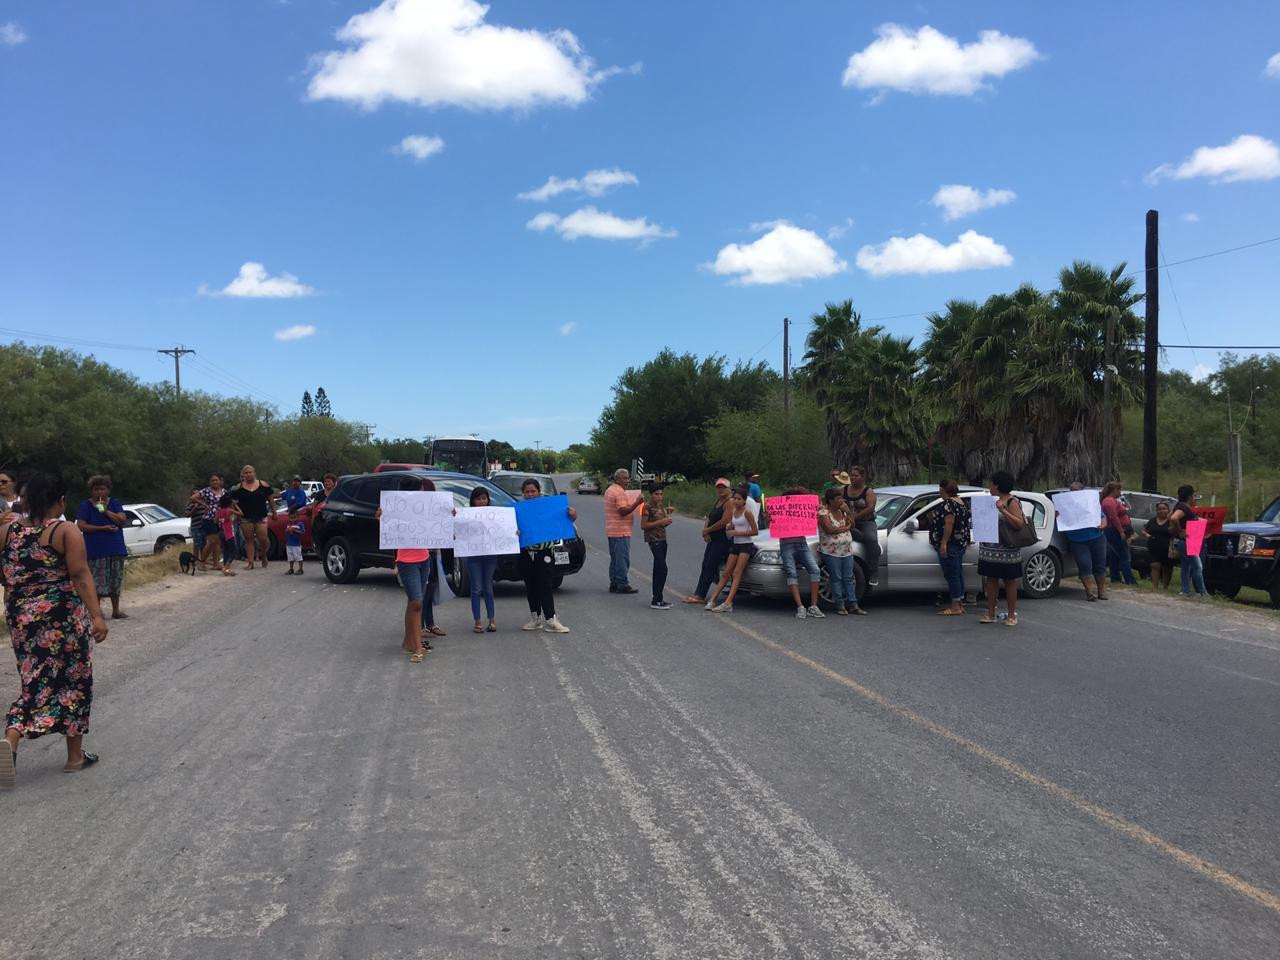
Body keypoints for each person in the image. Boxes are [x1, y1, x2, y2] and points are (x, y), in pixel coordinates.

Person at [1, 473, 109, 788]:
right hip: (63, 616)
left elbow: (5, 572)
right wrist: (97, 616)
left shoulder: (7, 531)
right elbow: (79, 574)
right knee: (74, 679)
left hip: (22, 617)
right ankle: (74, 758)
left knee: (33, 679)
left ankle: (11, 739)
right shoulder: (64, 530)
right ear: (60, 500)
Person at [376, 477, 437, 662]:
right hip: (406, 560)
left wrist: (448, 513)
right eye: (419, 489)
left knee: (414, 603)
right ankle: (418, 647)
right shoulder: (396, 508)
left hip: (424, 558)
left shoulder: (424, 507)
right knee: (417, 602)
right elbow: (387, 531)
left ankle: (408, 641)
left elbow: (438, 522)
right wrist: (380, 518)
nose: (422, 493)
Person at [518, 477, 575, 633]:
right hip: (526, 553)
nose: (530, 494)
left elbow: (567, 522)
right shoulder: (518, 510)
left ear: (539, 492)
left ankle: (551, 619)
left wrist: (572, 515)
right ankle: (535, 618)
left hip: (544, 552)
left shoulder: (549, 508)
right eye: (527, 492)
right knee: (530, 586)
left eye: (533, 491)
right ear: (523, 493)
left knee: (545, 585)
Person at [75, 475, 129, 620]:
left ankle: (116, 610)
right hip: (96, 550)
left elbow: (122, 519)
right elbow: (81, 525)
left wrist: (106, 511)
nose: (100, 492)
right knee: (96, 582)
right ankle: (97, 612)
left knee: (115, 580)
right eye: (96, 489)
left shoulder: (115, 503)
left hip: (115, 548)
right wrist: (103, 528)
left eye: (103, 489)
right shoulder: (86, 505)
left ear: (108, 490)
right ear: (91, 491)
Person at [978, 471, 1026, 626]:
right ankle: (991, 613)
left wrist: (1003, 510)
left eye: (991, 483)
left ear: (997, 485)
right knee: (991, 580)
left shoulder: (1012, 501)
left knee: (1009, 581)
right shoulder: (989, 500)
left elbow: (1019, 524)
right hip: (989, 548)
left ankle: (1012, 615)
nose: (990, 486)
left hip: (1007, 549)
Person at [704, 486, 758, 613]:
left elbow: (755, 531)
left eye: (739, 499)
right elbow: (733, 525)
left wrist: (737, 533)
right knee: (726, 572)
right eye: (734, 498)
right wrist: (730, 527)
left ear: (744, 501)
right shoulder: (733, 512)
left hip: (746, 545)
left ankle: (728, 602)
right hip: (735, 544)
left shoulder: (747, 513)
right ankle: (712, 599)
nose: (736, 501)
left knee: (736, 573)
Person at [778, 486, 825, 620]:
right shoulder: (782, 509)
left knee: (815, 570)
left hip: (801, 543)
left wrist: (815, 512)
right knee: (791, 573)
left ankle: (813, 606)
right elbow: (774, 526)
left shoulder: (802, 510)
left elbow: (813, 524)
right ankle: (800, 606)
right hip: (787, 544)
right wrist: (770, 517)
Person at [683, 479, 733, 604]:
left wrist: (707, 530)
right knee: (706, 565)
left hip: (722, 540)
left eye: (723, 487)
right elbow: (710, 517)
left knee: (710, 566)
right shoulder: (718, 501)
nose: (721, 490)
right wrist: (706, 530)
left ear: (729, 489)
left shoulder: (729, 502)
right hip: (713, 538)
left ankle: (700, 595)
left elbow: (724, 521)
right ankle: (698, 593)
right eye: (719, 487)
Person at [818, 486, 864, 615]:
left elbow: (853, 525)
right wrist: (846, 527)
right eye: (838, 499)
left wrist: (848, 512)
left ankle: (853, 604)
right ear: (830, 500)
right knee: (836, 577)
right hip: (831, 550)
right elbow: (830, 530)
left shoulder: (842, 512)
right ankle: (840, 605)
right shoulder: (824, 513)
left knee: (848, 577)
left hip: (846, 550)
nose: (841, 501)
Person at [931, 479, 971, 616]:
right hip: (959, 543)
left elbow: (949, 523)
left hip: (951, 544)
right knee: (957, 573)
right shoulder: (961, 503)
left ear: (942, 489)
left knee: (951, 575)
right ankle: (959, 603)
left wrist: (943, 543)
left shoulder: (948, 504)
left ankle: (955, 606)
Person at [1061, 482, 1108, 602]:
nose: (1074, 493)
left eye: (1077, 491)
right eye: (1072, 491)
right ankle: (1089, 592)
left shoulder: (1090, 502)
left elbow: (1102, 516)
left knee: (1100, 565)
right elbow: (1058, 517)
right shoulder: (1064, 504)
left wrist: (1103, 524)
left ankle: (1101, 591)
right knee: (1084, 565)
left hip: (1097, 537)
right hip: (1077, 540)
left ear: (1082, 491)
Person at [603, 468, 644, 594]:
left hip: (612, 529)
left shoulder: (610, 490)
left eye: (628, 478)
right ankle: (622, 583)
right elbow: (622, 511)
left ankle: (614, 583)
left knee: (615, 558)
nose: (627, 481)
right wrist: (637, 503)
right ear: (617, 479)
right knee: (622, 558)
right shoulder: (619, 492)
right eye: (625, 478)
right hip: (620, 530)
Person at [229, 464, 276, 569]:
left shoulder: (262, 484)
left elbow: (271, 499)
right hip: (245, 517)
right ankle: (250, 562)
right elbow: (232, 501)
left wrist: (274, 512)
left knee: (263, 538)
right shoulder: (238, 487)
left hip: (261, 516)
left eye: (250, 472)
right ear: (243, 475)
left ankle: (263, 555)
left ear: (254, 473)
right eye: (246, 473)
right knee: (248, 539)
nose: (248, 474)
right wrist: (235, 512)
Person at [466, 485, 499, 634]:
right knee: (476, 588)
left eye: (484, 498)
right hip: (474, 556)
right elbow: (460, 531)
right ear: (473, 501)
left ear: (488, 500)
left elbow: (502, 530)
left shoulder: (495, 514)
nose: (482, 501)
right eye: (478, 499)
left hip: (490, 555)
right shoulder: (466, 515)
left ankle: (492, 620)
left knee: (488, 588)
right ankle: (477, 621)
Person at [842, 466, 881, 587]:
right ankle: (860, 537)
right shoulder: (843, 490)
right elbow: (832, 500)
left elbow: (870, 508)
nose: (853, 478)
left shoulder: (868, 491)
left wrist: (855, 517)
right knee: (846, 532)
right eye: (851, 475)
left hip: (866, 522)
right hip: (848, 522)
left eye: (856, 475)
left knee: (871, 539)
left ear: (862, 477)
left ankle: (874, 571)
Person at [1169, 484, 1207, 598]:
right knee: (1197, 566)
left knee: (1186, 566)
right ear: (1190, 496)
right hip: (1187, 540)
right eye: (1193, 496)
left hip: (1187, 540)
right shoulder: (1184, 508)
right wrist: (1180, 530)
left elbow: (1169, 516)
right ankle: (1202, 592)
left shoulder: (1179, 506)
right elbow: (1173, 518)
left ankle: (1185, 590)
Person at [641, 484, 673, 610]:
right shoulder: (647, 507)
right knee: (662, 569)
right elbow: (644, 525)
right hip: (654, 540)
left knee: (658, 569)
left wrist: (668, 518)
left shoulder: (660, 507)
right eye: (656, 494)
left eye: (661, 494)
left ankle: (658, 598)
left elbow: (662, 525)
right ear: (651, 494)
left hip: (663, 539)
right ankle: (657, 599)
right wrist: (660, 522)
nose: (659, 496)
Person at [1100, 482, 1138, 585]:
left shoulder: (1114, 501)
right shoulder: (1108, 502)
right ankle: (1129, 579)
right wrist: (1121, 531)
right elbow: (1113, 517)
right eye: (1119, 490)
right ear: (1114, 490)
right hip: (1114, 530)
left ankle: (1115, 577)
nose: (1120, 492)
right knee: (1124, 555)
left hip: (1119, 529)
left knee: (1115, 555)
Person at [189, 472, 229, 570]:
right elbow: (193, 497)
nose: (214, 482)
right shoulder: (206, 491)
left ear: (220, 481)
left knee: (218, 542)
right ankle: (202, 562)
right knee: (212, 541)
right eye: (212, 480)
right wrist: (204, 504)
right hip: (208, 518)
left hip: (220, 518)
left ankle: (216, 564)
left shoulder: (224, 491)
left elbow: (228, 503)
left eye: (216, 480)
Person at [1141, 501, 1175, 590]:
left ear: (1168, 510)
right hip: (1153, 547)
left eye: (1164, 509)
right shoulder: (1152, 521)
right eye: (1159, 509)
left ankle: (1165, 587)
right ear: (1157, 511)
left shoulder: (1171, 521)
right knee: (1154, 565)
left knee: (1167, 568)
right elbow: (1143, 530)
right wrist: (1146, 535)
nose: (1162, 511)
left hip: (1167, 548)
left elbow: (1174, 532)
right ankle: (1155, 587)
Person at [214, 494, 240, 576]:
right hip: (228, 532)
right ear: (230, 503)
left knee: (226, 550)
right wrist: (235, 505)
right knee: (233, 551)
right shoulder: (229, 510)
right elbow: (241, 513)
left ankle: (227, 569)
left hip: (220, 532)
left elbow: (215, 521)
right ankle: (226, 566)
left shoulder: (219, 511)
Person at [284, 506, 306, 575]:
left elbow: (303, 532)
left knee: (298, 556)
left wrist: (295, 530)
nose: (292, 519)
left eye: (294, 518)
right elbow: (285, 531)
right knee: (290, 557)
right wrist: (288, 530)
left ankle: (300, 569)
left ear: (297, 517)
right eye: (291, 518)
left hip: (296, 544)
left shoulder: (300, 524)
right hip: (289, 544)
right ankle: (291, 568)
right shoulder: (289, 524)